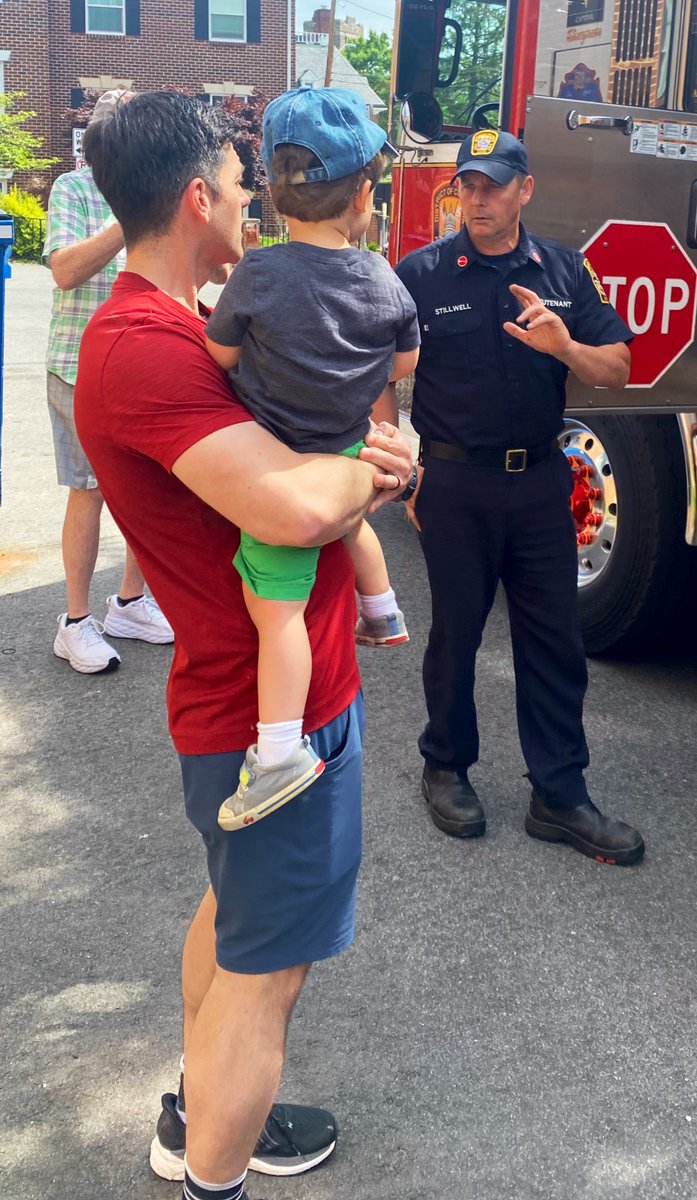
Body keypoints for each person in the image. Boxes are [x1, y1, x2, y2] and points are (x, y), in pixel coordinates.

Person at [77, 91, 414, 1200]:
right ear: (195, 200)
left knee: (235, 923)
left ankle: (196, 1112)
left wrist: (344, 465)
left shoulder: (194, 322)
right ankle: (212, 1171)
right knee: (266, 978)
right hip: (267, 718)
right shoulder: (142, 345)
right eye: (235, 186)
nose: (251, 205)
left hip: (262, 695)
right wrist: (377, 470)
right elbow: (288, 510)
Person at [395, 129, 645, 867]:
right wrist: (399, 468)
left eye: (494, 184)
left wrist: (563, 345)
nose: (477, 197)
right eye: (468, 185)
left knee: (554, 642)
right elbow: (379, 366)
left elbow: (618, 370)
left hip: (539, 482)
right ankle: (444, 767)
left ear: (524, 191)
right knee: (456, 637)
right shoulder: (421, 274)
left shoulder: (566, 271)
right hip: (453, 483)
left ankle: (559, 795)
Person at [205, 87, 420, 831]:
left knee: (278, 613)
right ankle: (383, 610)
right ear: (364, 194)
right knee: (355, 522)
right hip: (347, 446)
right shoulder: (386, 279)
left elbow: (221, 353)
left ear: (270, 189)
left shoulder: (257, 274)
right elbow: (402, 365)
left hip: (283, 466)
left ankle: (277, 751)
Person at [44, 88, 173, 674]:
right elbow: (66, 270)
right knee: (90, 489)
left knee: (143, 489)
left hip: (140, 368)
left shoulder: (159, 194)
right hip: (77, 367)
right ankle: (74, 622)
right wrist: (130, 216)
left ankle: (128, 603)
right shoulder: (73, 189)